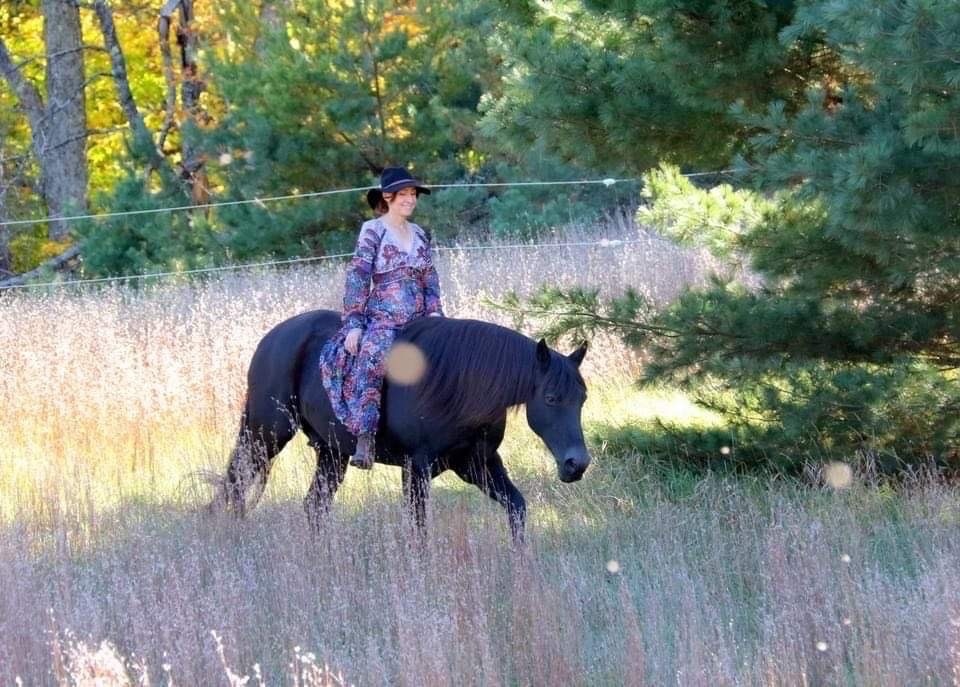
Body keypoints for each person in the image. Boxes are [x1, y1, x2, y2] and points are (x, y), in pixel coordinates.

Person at [320, 166, 444, 469]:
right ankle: (365, 438)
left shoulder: (419, 233)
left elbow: (430, 278)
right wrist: (354, 323)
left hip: (421, 318)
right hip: (384, 319)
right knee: (373, 356)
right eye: (404, 195)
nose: (410, 199)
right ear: (388, 197)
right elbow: (358, 278)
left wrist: (436, 312)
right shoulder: (373, 230)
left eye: (413, 194)